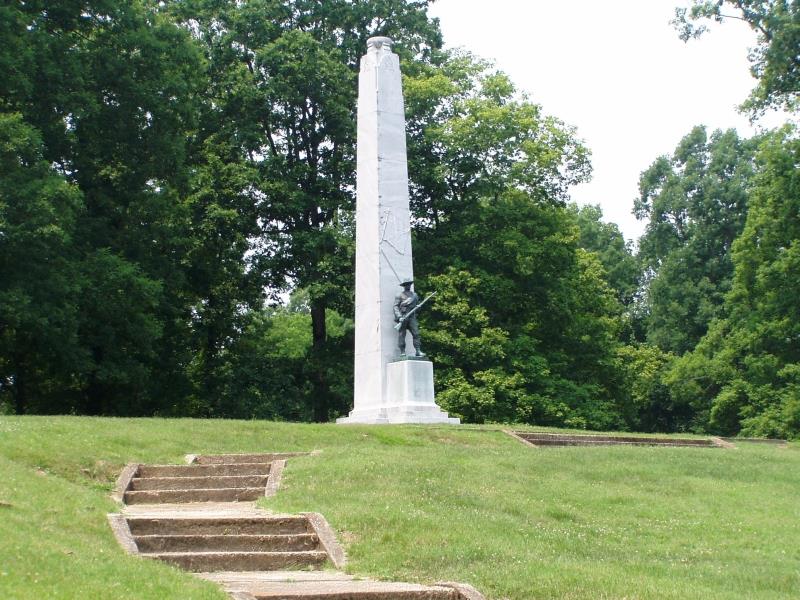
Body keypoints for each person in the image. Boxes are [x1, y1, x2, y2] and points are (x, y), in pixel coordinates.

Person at [393, 279, 424, 357]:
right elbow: (395, 307)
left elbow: (417, 308)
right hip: (403, 316)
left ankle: (418, 350)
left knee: (416, 334)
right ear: (404, 286)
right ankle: (402, 352)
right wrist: (399, 317)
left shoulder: (415, 295)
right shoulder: (399, 295)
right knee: (402, 334)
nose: (408, 286)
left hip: (412, 317)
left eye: (409, 284)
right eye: (407, 284)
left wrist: (419, 307)